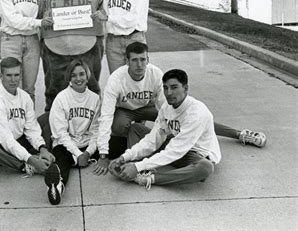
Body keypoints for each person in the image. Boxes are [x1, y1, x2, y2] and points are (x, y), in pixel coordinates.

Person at [92, 42, 267, 175]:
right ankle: (140, 142)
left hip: (149, 107)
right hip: (127, 110)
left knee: (189, 117)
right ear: (127, 61)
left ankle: (239, 134)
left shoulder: (155, 74)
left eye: (143, 59)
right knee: (119, 126)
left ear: (148, 59)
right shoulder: (116, 79)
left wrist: (171, 131)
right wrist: (104, 155)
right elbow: (106, 115)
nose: (139, 65)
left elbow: (171, 109)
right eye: (134, 60)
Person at [109, 69, 221, 189]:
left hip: (195, 154)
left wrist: (138, 167)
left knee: (205, 167)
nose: (169, 92)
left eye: (174, 87)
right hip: (174, 146)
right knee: (136, 128)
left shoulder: (196, 113)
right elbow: (153, 139)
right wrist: (125, 157)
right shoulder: (167, 107)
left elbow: (177, 150)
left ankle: (150, 178)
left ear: (185, 88)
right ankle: (132, 167)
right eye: (165, 88)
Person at [0, 57, 55, 175]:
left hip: (18, 141)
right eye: (9, 75)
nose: (13, 80)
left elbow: (31, 128)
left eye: (16, 75)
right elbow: (5, 139)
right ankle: (24, 166)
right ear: (1, 76)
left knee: (49, 117)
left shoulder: (25, 97)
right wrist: (30, 161)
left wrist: (42, 148)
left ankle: (43, 156)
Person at [39, 60, 101, 205]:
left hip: (86, 145)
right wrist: (78, 154)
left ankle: (77, 160)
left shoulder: (95, 98)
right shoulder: (61, 98)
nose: (78, 79)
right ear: (69, 78)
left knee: (115, 146)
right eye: (74, 75)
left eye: (81, 74)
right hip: (65, 144)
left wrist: (88, 153)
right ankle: (57, 186)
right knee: (62, 162)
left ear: (88, 75)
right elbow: (60, 133)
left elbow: (96, 130)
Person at [0, 0, 52, 102]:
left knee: (29, 89)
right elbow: (12, 19)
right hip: (11, 41)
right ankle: (10, 125)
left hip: (32, 41)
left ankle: (29, 124)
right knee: (10, 87)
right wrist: (38, 23)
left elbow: (41, 13)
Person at [92, 0, 149, 74]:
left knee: (137, 80)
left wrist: (108, 18)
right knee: (118, 80)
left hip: (135, 38)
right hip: (114, 42)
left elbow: (132, 19)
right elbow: (105, 15)